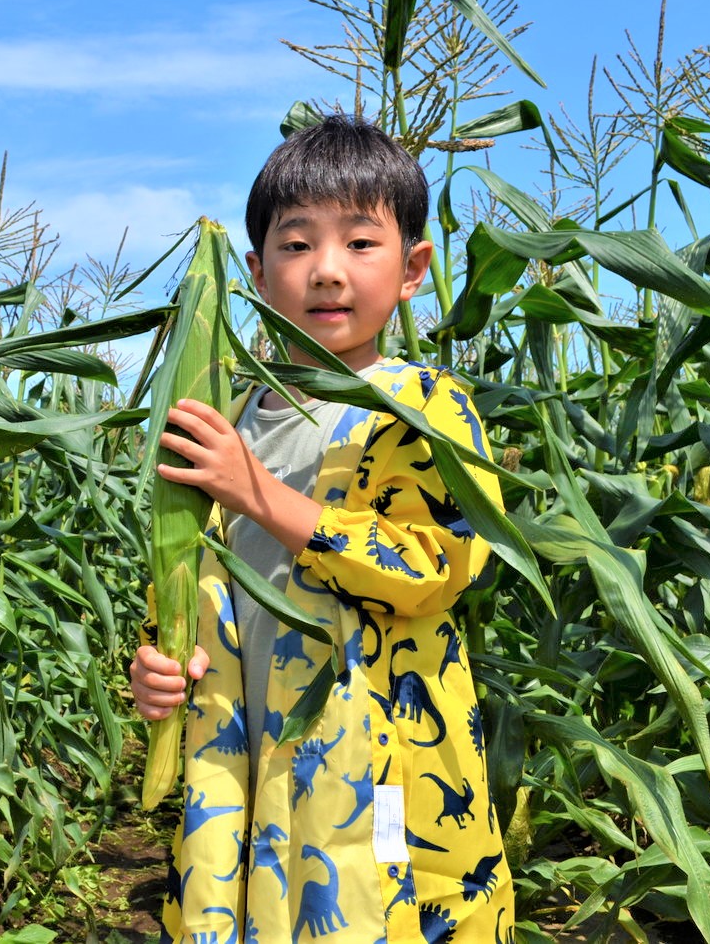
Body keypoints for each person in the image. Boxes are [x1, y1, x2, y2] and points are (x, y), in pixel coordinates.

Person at [130, 114, 514, 942]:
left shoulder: (426, 409)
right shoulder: (226, 417)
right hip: (246, 747)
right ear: (260, 275)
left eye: (360, 244)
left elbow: (435, 566)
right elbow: (193, 580)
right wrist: (162, 667)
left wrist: (260, 491)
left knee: (367, 910)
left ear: (413, 269)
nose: (328, 271)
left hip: (373, 757)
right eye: (297, 245)